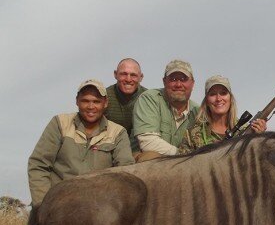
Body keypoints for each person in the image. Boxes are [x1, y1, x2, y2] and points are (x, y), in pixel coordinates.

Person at [28, 79, 135, 207]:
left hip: (99, 207)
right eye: (85, 101)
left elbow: (126, 172)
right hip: (58, 203)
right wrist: (43, 205)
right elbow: (38, 165)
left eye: (96, 101)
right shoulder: (60, 123)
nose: (91, 107)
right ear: (77, 101)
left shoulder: (117, 132)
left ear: (105, 103)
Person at [178, 75, 266, 154]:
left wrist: (260, 139)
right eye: (212, 94)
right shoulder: (192, 135)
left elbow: (258, 164)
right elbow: (181, 168)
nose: (218, 99)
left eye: (223, 93)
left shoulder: (247, 130)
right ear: (207, 102)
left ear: (230, 99)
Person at [132, 59, 199, 160]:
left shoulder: (198, 111)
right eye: (173, 79)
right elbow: (148, 142)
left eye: (183, 79)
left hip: (183, 163)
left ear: (192, 83)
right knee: (150, 157)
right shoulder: (149, 98)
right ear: (164, 81)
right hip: (144, 162)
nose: (178, 84)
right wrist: (183, 156)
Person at [105, 58, 147, 153]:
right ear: (115, 74)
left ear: (141, 77)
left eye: (133, 75)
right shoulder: (104, 97)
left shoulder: (149, 99)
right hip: (109, 149)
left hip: (139, 150)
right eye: (124, 74)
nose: (128, 79)